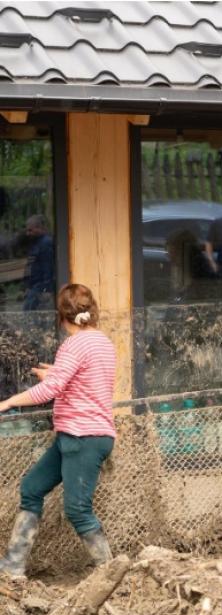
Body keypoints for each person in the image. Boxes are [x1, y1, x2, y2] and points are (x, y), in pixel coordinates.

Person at [0, 284, 117, 576]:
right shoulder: (102, 341)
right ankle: (13, 565)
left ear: (61, 315)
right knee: (32, 488)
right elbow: (83, 379)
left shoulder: (73, 345)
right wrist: (54, 372)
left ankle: (111, 573)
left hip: (83, 436)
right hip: (77, 435)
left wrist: (8, 402)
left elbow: (50, 390)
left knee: (77, 509)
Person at [22, 215, 54, 311]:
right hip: (34, 286)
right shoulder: (36, 243)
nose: (28, 233)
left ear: (39, 228)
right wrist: (27, 286)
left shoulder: (45, 243)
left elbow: (48, 267)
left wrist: (47, 289)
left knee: (29, 312)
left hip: (40, 287)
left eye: (30, 230)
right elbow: (31, 265)